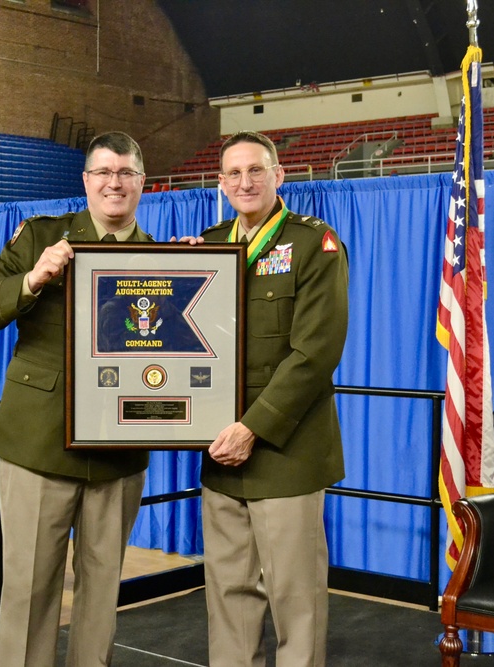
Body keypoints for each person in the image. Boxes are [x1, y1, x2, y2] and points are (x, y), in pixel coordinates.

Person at [0, 131, 152, 667]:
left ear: (143, 183)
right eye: (103, 172)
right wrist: (33, 278)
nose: (114, 183)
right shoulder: (42, 236)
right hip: (39, 446)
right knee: (28, 593)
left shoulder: (160, 258)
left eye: (126, 173)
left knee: (101, 598)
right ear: (86, 181)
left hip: (119, 450)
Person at [198, 131, 349, 666]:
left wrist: (251, 429)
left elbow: (314, 355)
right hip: (219, 454)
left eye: (256, 170)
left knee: (295, 605)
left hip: (285, 454)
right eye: (233, 173)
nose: (245, 182)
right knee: (229, 604)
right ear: (220, 184)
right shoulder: (207, 247)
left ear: (279, 175)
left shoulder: (314, 244)